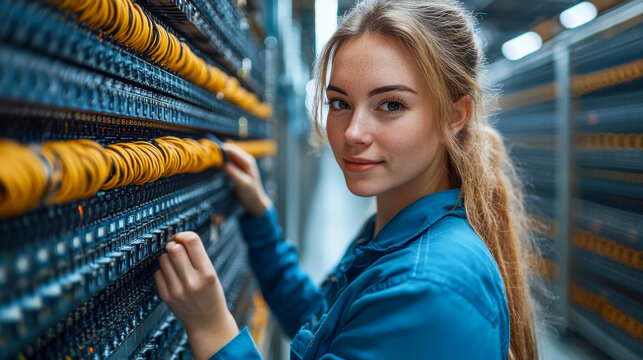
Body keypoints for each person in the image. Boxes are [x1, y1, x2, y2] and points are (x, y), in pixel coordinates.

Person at [153, 0, 540, 359]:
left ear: (455, 116)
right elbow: (322, 327)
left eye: (391, 105)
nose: (353, 132)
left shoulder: (429, 289)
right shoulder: (395, 232)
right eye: (340, 103)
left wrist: (211, 327)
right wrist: (259, 218)